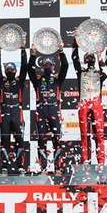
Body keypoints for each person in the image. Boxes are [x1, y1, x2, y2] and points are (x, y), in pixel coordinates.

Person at [27, 44, 68, 172]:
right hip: (41, 112)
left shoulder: (57, 80)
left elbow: (65, 66)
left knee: (57, 139)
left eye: (50, 65)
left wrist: (61, 52)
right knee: (41, 139)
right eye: (46, 65)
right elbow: (29, 69)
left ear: (53, 66)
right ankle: (42, 167)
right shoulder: (37, 80)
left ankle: (58, 167)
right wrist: (33, 54)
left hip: (54, 111)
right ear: (42, 66)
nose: (48, 67)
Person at [72, 39, 107, 164]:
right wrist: (75, 44)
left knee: (99, 134)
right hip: (84, 103)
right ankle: (85, 160)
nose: (90, 61)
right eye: (89, 59)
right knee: (84, 134)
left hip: (96, 104)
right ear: (86, 61)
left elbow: (105, 73)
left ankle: (101, 162)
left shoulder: (100, 74)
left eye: (92, 59)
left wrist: (99, 57)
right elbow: (75, 60)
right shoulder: (81, 73)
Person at [0, 46, 28, 172]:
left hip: (17, 112)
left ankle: (20, 165)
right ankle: (4, 165)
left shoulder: (19, 82)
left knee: (19, 139)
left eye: (12, 69)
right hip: (5, 112)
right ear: (5, 71)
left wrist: (23, 51)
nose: (10, 71)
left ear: (15, 71)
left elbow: (24, 67)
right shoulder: (1, 82)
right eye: (7, 69)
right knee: (5, 140)